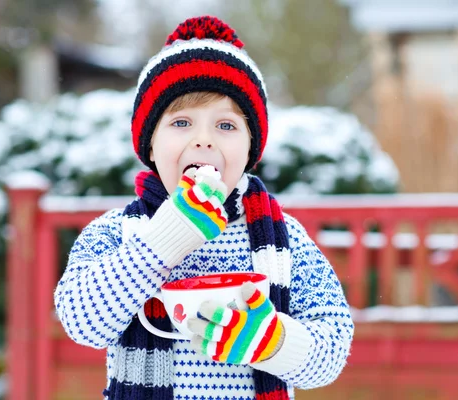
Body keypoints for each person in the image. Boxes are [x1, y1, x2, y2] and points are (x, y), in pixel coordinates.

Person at [54, 15, 354, 400]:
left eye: (226, 126)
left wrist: (274, 342)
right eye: (181, 122)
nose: (203, 140)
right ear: (149, 145)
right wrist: (163, 240)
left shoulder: (284, 238)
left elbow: (333, 345)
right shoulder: (118, 232)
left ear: (250, 150)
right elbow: (82, 323)